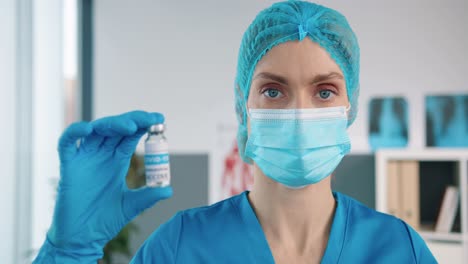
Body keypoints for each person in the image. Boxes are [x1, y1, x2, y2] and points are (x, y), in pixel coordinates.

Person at [33, 1, 437, 263]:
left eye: (324, 90)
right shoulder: (180, 247)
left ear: (349, 107)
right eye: (273, 90)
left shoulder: (400, 250)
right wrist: (68, 250)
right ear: (244, 107)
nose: (299, 113)